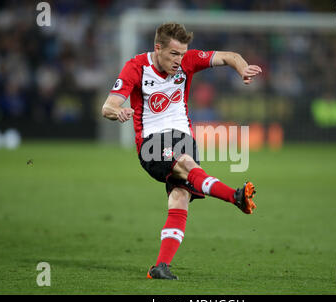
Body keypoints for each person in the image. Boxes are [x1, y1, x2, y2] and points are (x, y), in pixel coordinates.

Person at [102, 22, 261, 280]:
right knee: (187, 164)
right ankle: (234, 196)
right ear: (158, 48)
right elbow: (107, 106)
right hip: (151, 144)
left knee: (179, 198)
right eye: (173, 54)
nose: (179, 60)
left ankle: (160, 267)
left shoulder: (187, 61)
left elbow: (230, 56)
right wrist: (118, 111)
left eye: (182, 54)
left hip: (184, 140)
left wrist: (242, 69)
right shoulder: (136, 67)